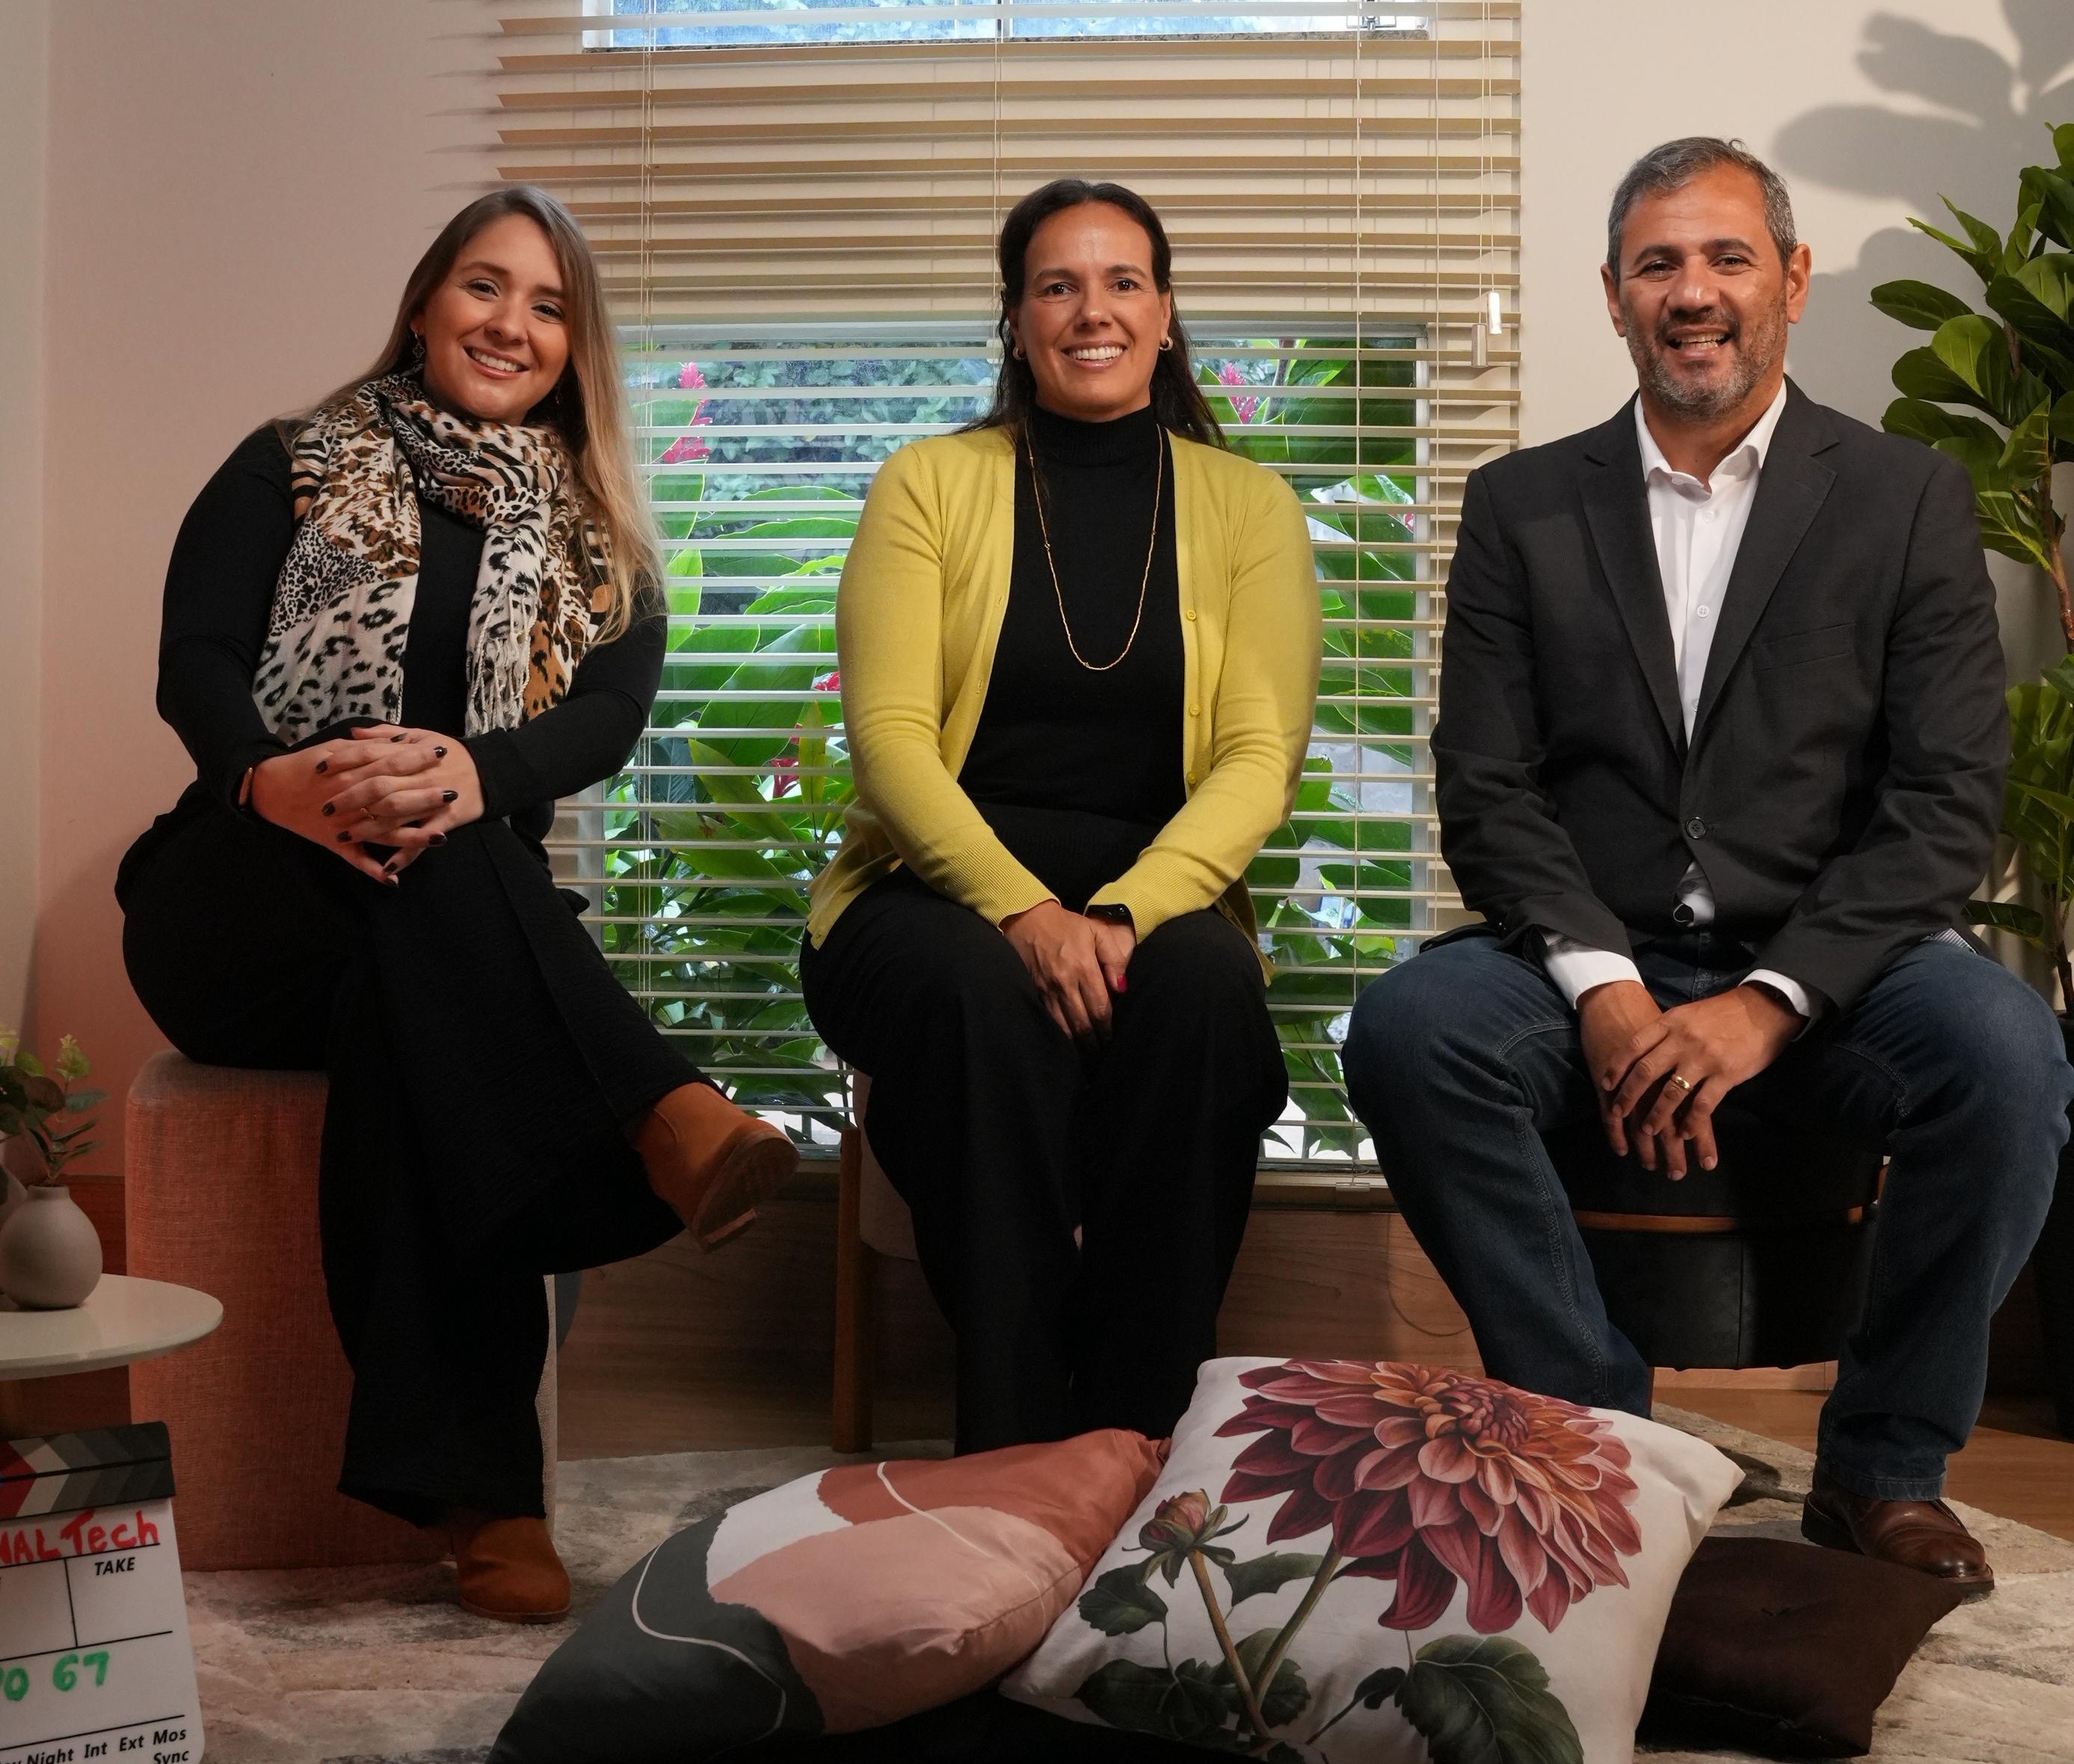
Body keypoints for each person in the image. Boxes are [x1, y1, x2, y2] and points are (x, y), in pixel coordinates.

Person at [1341, 138, 2073, 1594]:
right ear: (1613, 294)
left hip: (1833, 959)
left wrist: (1771, 998)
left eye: (1726, 256)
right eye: (1657, 263)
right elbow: (1488, 788)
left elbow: (1941, 801)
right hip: (1584, 947)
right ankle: (1603, 1441)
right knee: (1408, 1032)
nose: (1692, 291)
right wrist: (1602, 984)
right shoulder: (1520, 504)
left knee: (2007, 1054)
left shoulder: (1905, 496)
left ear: (1789, 280)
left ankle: (1882, 1467)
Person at [118, 186, 798, 1622]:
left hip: (428, 919)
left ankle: (487, 1500)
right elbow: (195, 659)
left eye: (549, 306)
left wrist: (471, 771)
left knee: (435, 918)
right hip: (241, 897)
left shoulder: (601, 529)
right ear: (427, 301)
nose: (511, 324)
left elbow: (608, 717)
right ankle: (662, 1113)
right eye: (486, 287)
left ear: (575, 345)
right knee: (447, 860)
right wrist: (272, 781)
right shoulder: (292, 460)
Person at [801, 179, 1320, 1454]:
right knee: (978, 995)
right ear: (1016, 319)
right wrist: (1023, 911)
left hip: (1155, 894)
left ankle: (1134, 1433)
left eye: (1122, 281)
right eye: (1057, 285)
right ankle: (1016, 1442)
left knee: (1204, 994)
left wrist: (1127, 912)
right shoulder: (927, 483)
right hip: (928, 897)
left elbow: (1258, 756)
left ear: (1165, 312)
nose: (1093, 311)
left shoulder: (1246, 506)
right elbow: (890, 742)